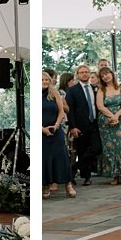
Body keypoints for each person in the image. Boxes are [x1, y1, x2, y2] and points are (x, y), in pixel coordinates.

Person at [64, 63, 102, 185]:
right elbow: (70, 110)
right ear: (77, 75)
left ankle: (74, 168)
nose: (85, 74)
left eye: (87, 72)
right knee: (82, 150)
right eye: (82, 72)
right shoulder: (72, 90)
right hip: (79, 125)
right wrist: (73, 126)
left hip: (94, 123)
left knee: (97, 148)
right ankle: (86, 177)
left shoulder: (94, 88)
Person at [40, 70, 75, 199]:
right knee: (45, 159)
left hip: (56, 129)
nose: (44, 82)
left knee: (62, 156)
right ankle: (46, 186)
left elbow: (61, 111)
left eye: (46, 80)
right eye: (41, 80)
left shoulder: (54, 93)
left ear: (50, 81)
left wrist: (56, 125)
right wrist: (42, 129)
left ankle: (68, 184)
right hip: (42, 132)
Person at [95, 66, 121, 184]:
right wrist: (111, 116)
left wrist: (117, 115)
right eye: (103, 75)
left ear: (112, 74)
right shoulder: (101, 90)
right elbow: (100, 106)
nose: (106, 76)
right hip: (106, 121)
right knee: (110, 148)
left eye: (107, 73)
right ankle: (115, 175)